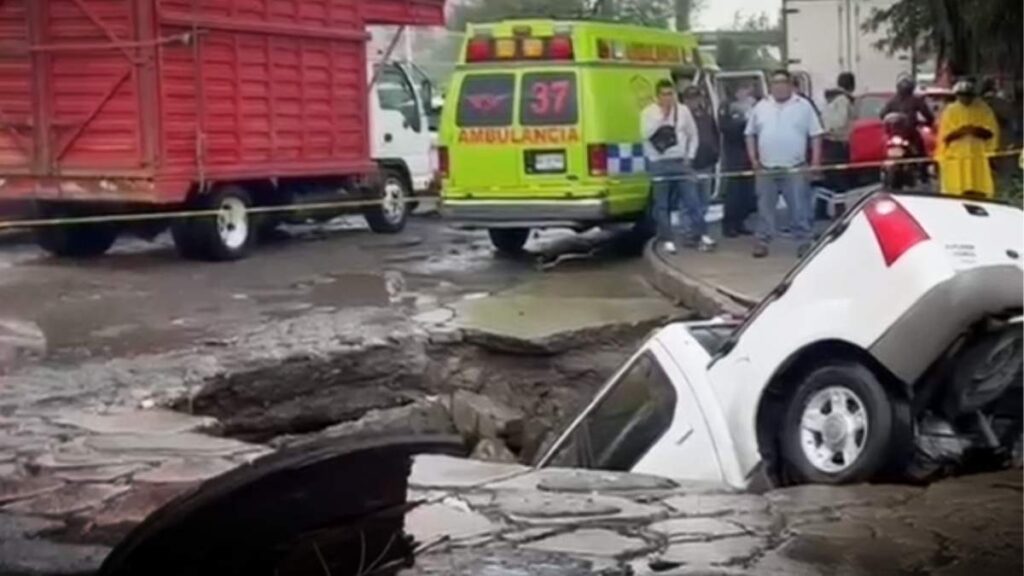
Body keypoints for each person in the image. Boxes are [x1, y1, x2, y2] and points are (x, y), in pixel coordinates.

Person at [745, 69, 824, 259]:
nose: (778, 87)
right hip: (766, 167)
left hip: (795, 167)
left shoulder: (803, 106)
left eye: (782, 82)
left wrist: (815, 162)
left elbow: (816, 135)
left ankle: (804, 241)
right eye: (775, 83)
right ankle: (762, 241)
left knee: (799, 207)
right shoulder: (761, 106)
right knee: (764, 207)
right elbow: (749, 134)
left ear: (790, 85)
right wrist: (753, 159)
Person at [641, 79, 699, 254]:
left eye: (670, 94)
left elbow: (692, 134)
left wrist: (690, 156)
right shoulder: (648, 113)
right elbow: (646, 134)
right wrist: (663, 116)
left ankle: (698, 235)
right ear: (657, 96)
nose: (668, 98)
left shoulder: (683, 111)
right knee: (662, 204)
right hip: (659, 162)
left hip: (680, 161)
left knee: (691, 200)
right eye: (664, 95)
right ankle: (667, 238)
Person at [936, 79, 999, 197]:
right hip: (957, 153)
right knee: (956, 188)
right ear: (957, 95)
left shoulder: (984, 109)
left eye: (968, 95)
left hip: (978, 153)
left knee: (978, 186)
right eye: (962, 95)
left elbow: (991, 132)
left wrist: (974, 130)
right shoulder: (950, 111)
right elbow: (944, 136)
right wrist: (961, 132)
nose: (965, 98)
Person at [680, 85, 718, 251]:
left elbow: (715, 135)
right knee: (689, 202)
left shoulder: (706, 117)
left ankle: (699, 231)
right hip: (689, 166)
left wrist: (716, 154)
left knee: (704, 201)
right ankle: (688, 234)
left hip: (706, 164)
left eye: (696, 98)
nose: (694, 101)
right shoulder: (679, 118)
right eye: (690, 98)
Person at [719, 83, 757, 237]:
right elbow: (726, 128)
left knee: (746, 194)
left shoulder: (752, 106)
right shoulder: (727, 107)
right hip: (734, 155)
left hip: (748, 155)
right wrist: (744, 121)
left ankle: (741, 222)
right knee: (733, 194)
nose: (747, 93)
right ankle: (729, 225)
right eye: (745, 89)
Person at [821, 72, 856, 190]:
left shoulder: (830, 99)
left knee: (830, 178)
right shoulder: (843, 100)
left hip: (827, 142)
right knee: (840, 179)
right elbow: (840, 121)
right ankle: (841, 206)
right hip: (838, 143)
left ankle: (823, 206)